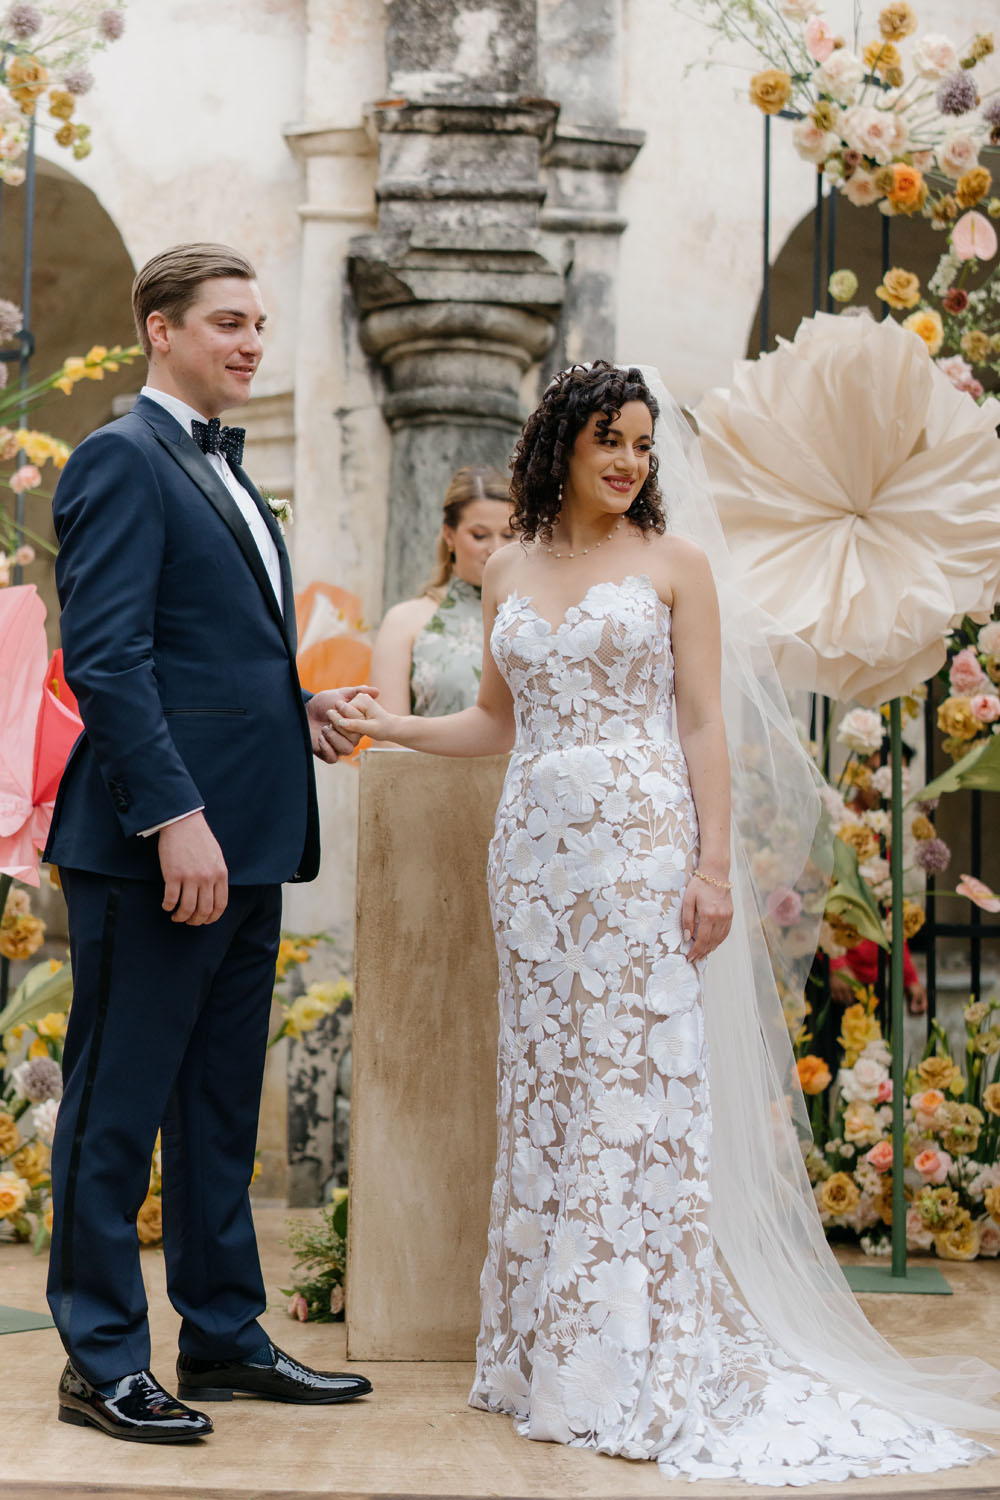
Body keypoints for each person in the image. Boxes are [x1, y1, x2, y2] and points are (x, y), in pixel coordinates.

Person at [334, 362, 1000, 1484]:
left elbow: (699, 725)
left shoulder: (675, 565)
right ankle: (551, 1358)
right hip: (537, 866)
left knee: (634, 1094)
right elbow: (497, 723)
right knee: (549, 1091)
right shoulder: (504, 570)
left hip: (641, 852)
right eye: (609, 438)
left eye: (641, 441)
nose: (630, 459)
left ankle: (634, 1359)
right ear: (560, 444)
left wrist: (709, 866)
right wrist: (390, 729)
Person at [43, 243, 372, 1442]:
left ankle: (223, 1335)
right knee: (118, 1103)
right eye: (225, 322)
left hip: (250, 844)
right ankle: (99, 1356)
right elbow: (109, 658)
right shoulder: (121, 458)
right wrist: (174, 816)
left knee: (219, 1107)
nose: (248, 342)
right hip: (156, 845)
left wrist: (299, 706)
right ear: (159, 331)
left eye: (257, 324)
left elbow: (209, 657)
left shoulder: (229, 473)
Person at [369, 466, 513, 718]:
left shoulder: (540, 617)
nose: (496, 549)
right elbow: (388, 743)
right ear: (449, 534)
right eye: (480, 536)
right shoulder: (405, 622)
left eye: (509, 534)